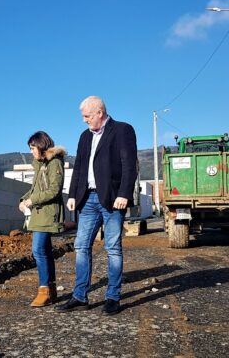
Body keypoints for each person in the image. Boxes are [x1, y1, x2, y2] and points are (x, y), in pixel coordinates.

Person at [55, 96, 137, 315]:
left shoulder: (122, 130)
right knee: (81, 246)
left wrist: (124, 194)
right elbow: (79, 166)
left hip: (112, 199)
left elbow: (130, 165)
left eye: (87, 116)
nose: (84, 120)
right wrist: (72, 194)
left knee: (112, 248)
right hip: (87, 199)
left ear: (99, 112)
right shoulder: (84, 137)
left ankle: (113, 297)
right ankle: (80, 296)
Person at [19, 131, 66, 307]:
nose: (31, 151)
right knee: (45, 251)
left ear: (41, 145)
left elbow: (54, 190)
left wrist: (32, 200)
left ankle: (44, 290)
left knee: (38, 250)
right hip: (39, 213)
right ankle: (51, 291)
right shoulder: (41, 164)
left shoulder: (54, 162)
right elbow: (36, 188)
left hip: (47, 213)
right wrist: (24, 199)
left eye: (32, 148)